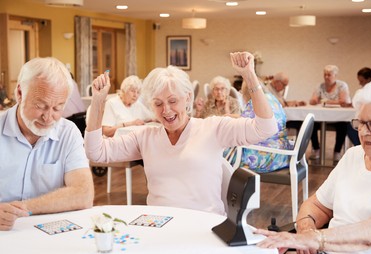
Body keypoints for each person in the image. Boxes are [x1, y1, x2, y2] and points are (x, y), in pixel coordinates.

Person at [84, 52, 278, 216]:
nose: (166, 110)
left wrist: (249, 76)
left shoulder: (213, 128)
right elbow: (96, 152)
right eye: (158, 104)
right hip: (159, 225)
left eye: (172, 101)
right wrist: (99, 102)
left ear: (188, 98)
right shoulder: (145, 136)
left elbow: (266, 128)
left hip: (204, 226)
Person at [255, 78, 371, 254]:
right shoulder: (353, 156)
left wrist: (315, 239)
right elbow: (317, 205)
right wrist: (305, 231)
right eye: (361, 123)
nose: (364, 132)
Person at [0, 57, 94, 231]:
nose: (48, 117)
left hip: (50, 234)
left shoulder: (68, 132)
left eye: (58, 108)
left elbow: (84, 194)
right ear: (20, 93)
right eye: (41, 105)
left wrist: (24, 209)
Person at [226, 79, 292, 172]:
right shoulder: (271, 98)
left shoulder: (254, 102)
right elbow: (252, 118)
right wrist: (231, 116)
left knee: (222, 153)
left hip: (267, 157)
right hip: (282, 154)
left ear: (247, 93)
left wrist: (228, 116)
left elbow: (245, 126)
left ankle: (226, 184)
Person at [309, 65, 351, 161]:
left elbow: (343, 101)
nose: (326, 77)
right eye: (325, 75)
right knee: (311, 124)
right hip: (321, 117)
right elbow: (312, 100)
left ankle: (337, 151)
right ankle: (316, 149)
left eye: (329, 75)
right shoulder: (320, 86)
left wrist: (324, 101)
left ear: (335, 76)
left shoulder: (342, 85)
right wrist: (314, 100)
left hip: (338, 118)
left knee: (343, 125)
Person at [347, 67, 371, 146]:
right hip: (368, 118)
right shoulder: (364, 91)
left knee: (350, 127)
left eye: (361, 81)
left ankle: (360, 145)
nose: (360, 83)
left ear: (369, 79)